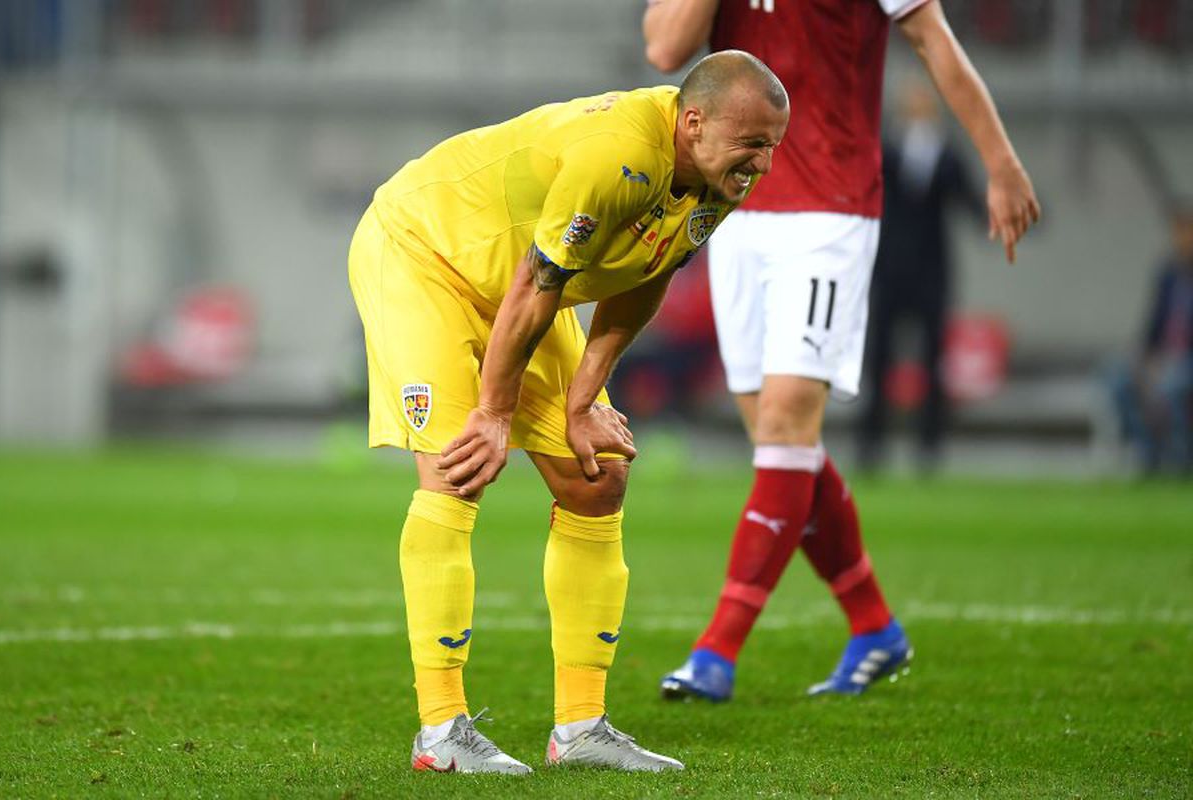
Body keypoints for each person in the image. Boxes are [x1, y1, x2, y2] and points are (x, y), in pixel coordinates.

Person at [347, 51, 789, 772]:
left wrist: (583, 400)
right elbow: (538, 281)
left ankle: (581, 729)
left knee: (598, 472)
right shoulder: (617, 155)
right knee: (460, 467)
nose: (763, 164)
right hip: (423, 253)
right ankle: (440, 731)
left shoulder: (720, 176)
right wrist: (494, 411)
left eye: (772, 146)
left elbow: (645, 276)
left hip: (520, 283)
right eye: (753, 144)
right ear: (693, 122)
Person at [643, 0, 1040, 701]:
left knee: (785, 428)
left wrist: (1000, 161)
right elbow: (666, 48)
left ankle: (717, 650)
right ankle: (874, 624)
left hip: (828, 209)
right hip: (733, 208)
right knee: (781, 447)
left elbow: (935, 44)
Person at [859, 79, 985, 473]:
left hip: (932, 271)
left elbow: (971, 201)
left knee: (933, 360)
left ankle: (930, 445)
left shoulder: (947, 156)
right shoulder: (885, 152)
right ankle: (871, 443)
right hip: (890, 269)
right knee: (880, 359)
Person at [1108, 204, 1193, 474]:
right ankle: (1148, 454)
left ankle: (1181, 459)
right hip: (1163, 356)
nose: (1183, 239)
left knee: (1171, 386)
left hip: (1186, 359)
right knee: (1118, 380)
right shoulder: (1168, 273)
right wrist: (1143, 356)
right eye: (1179, 232)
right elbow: (1154, 324)